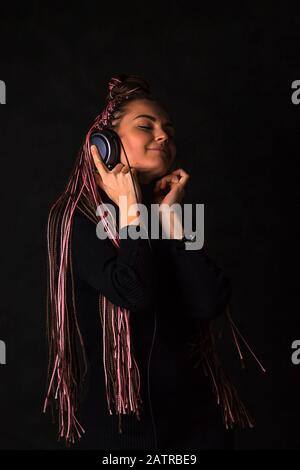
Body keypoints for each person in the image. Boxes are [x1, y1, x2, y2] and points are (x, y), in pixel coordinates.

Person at [43, 74, 254, 450]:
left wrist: (171, 218)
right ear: (103, 144)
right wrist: (130, 212)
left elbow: (209, 302)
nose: (163, 136)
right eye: (146, 126)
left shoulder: (170, 211)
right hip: (123, 432)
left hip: (199, 425)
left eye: (168, 130)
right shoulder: (77, 215)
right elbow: (134, 291)